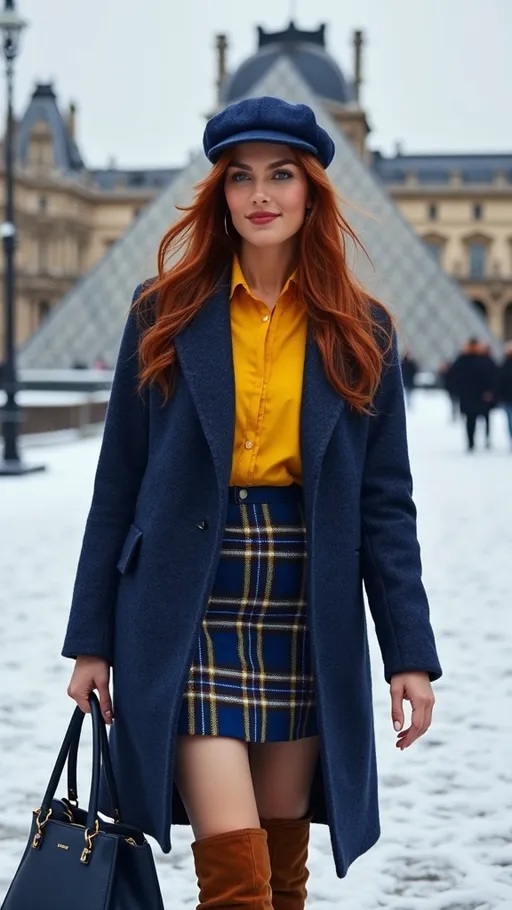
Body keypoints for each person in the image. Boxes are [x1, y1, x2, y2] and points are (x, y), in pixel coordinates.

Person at [63, 97, 442, 909]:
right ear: (220, 194)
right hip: (185, 602)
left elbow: (386, 507)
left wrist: (408, 651)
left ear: (311, 191)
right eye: (240, 178)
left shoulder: (362, 331)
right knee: (236, 879)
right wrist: (90, 638)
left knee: (281, 874)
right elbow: (115, 486)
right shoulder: (160, 313)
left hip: (306, 605)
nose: (260, 194)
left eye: (280, 175)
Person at [450, 338, 496, 451]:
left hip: (478, 395)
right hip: (470, 395)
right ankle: (471, 442)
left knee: (479, 418)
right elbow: (453, 377)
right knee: (471, 419)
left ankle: (482, 439)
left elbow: (492, 376)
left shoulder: (479, 359)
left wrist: (490, 391)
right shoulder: (465, 360)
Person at [498, 342, 512, 447]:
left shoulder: (503, 365)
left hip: (507, 397)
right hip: (508, 397)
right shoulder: (504, 365)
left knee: (510, 420)